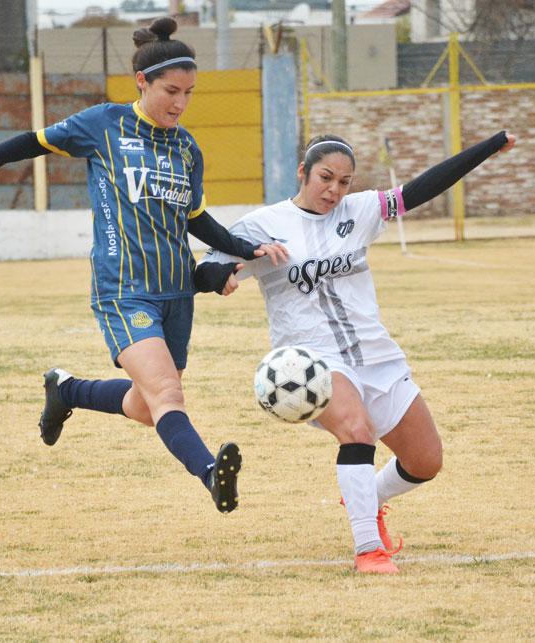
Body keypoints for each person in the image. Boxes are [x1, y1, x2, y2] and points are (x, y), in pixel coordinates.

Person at [0, 17, 286, 515]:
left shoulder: (187, 147)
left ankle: (66, 390)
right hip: (123, 290)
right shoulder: (104, 124)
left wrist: (244, 250)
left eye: (189, 93)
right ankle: (210, 474)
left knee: (146, 406)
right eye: (170, 91)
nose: (180, 103)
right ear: (142, 81)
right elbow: (33, 141)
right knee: (167, 393)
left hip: (175, 294)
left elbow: (195, 218)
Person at [195, 130, 516, 571]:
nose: (334, 190)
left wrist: (487, 147)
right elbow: (207, 266)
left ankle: (366, 494)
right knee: (356, 428)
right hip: (311, 360)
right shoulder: (262, 225)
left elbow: (421, 188)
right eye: (326, 177)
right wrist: (219, 277)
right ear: (303, 172)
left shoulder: (361, 210)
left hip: (375, 354)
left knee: (425, 461)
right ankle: (368, 548)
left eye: (345, 182)